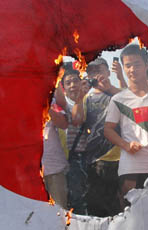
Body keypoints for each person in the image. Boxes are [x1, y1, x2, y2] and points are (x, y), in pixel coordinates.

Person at [72, 58, 124, 217]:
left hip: (122, 159)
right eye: (92, 72)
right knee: (98, 209)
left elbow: (133, 105)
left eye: (99, 70)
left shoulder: (118, 93)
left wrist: (113, 86)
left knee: (122, 208)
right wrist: (80, 97)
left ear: (108, 72)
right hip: (96, 162)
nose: (96, 75)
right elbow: (76, 120)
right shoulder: (86, 98)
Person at [104, 44, 148, 209]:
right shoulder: (118, 99)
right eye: (128, 65)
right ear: (123, 68)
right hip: (131, 166)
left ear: (146, 65)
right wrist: (126, 145)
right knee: (131, 214)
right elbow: (108, 129)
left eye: (137, 64)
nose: (133, 69)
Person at [60, 63, 89, 215]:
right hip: (70, 158)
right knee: (75, 199)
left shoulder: (89, 100)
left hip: (88, 157)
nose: (72, 85)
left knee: (89, 197)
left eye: (75, 81)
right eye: (68, 82)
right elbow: (77, 119)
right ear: (63, 87)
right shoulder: (63, 105)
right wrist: (80, 98)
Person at [41, 92, 69, 209]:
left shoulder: (50, 101)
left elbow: (63, 123)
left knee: (60, 212)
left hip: (54, 169)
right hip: (29, 172)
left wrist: (44, 106)